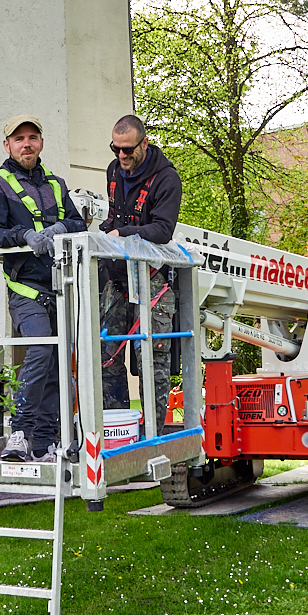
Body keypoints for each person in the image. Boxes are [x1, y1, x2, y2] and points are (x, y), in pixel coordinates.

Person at [0, 115, 87, 461]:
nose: (26, 144)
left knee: (57, 362)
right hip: (26, 290)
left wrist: (59, 229)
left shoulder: (56, 184)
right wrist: (24, 235)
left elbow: (78, 222)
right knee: (41, 350)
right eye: (19, 139)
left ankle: (44, 443)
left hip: (61, 287)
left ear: (41, 142)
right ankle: (20, 432)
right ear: (7, 145)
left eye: (32, 137)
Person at [98, 115, 182, 435]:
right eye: (116, 149)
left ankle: (153, 434)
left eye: (128, 149)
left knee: (150, 358)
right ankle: (117, 428)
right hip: (118, 278)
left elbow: (162, 230)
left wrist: (122, 233)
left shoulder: (166, 178)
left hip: (152, 279)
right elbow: (113, 218)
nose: (121, 155)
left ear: (144, 143)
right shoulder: (113, 171)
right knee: (107, 355)